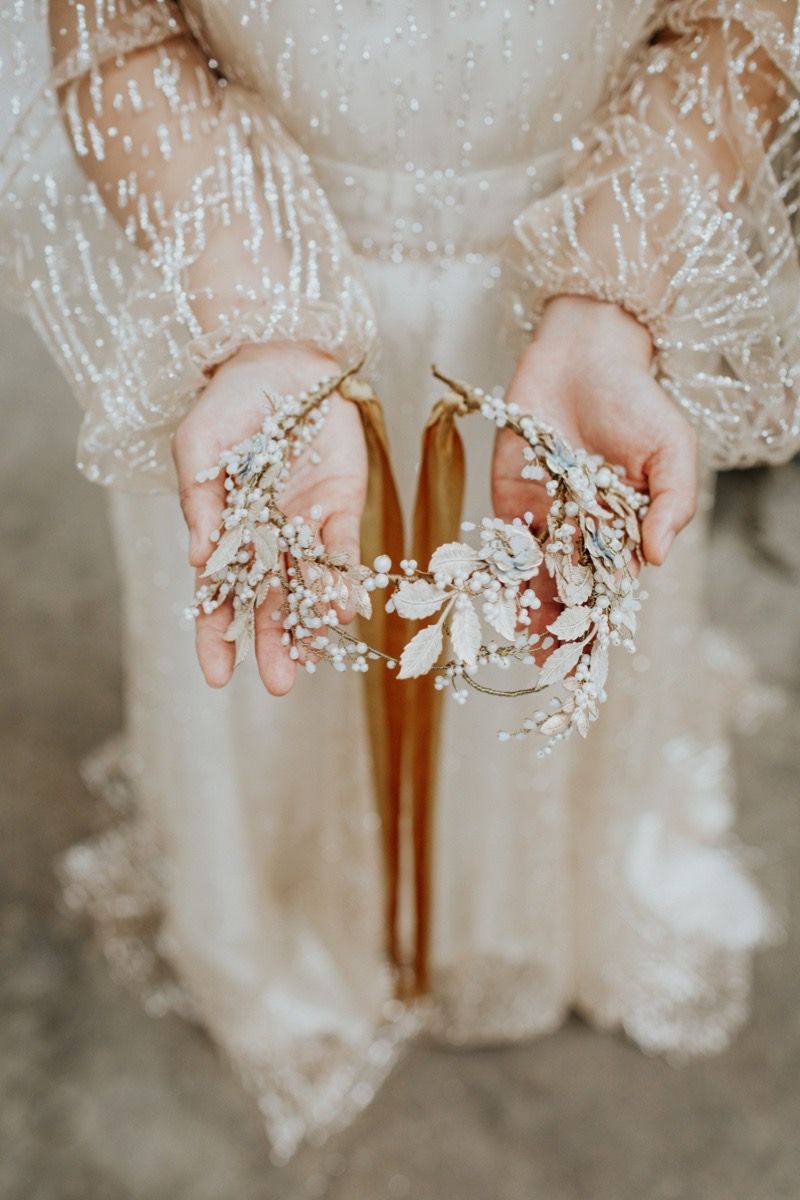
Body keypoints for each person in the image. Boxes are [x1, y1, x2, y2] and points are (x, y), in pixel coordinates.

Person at [1, 0, 798, 1161]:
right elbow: (112, 27)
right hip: (248, 278)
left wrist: (609, 290)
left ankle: (542, 910)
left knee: (534, 626)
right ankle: (289, 909)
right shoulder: (249, 309)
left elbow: (738, 19)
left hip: (565, 304)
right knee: (287, 627)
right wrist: (257, 324)